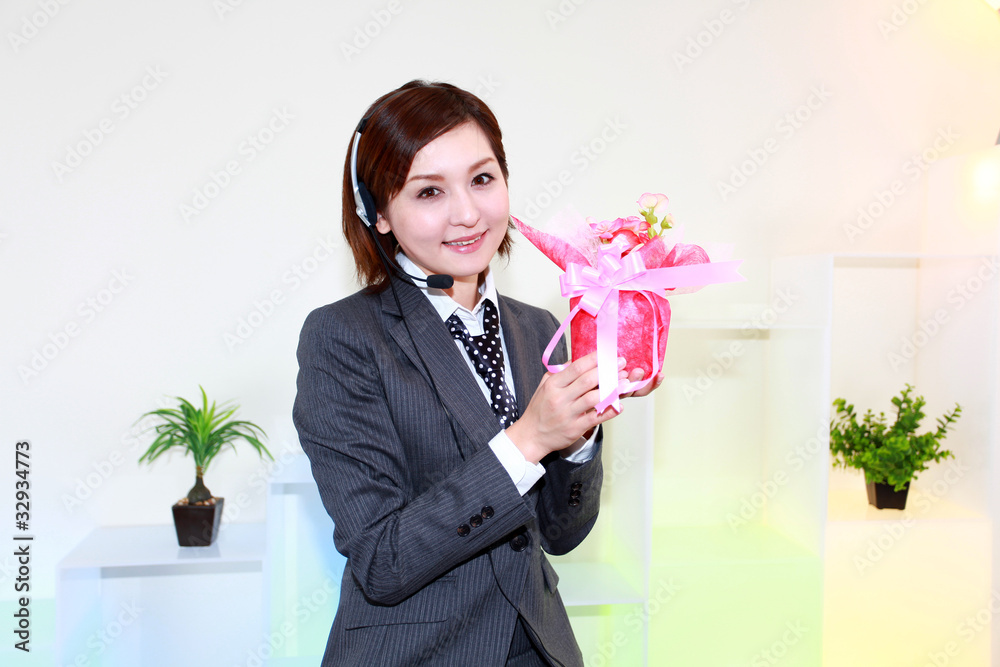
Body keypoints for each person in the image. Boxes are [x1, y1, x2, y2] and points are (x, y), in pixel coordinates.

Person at [293, 80, 661, 666]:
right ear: (378, 213)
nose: (467, 213)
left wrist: (581, 433)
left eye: (482, 179)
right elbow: (382, 561)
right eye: (429, 191)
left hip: (539, 648)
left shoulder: (540, 327)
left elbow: (560, 535)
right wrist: (529, 439)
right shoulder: (343, 338)